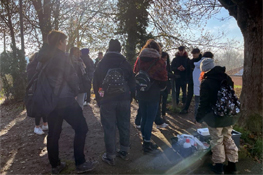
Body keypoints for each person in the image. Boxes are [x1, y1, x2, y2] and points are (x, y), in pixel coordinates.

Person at [36, 30, 97, 174]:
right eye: (65, 41)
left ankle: (55, 165)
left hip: (50, 102)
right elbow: (72, 78)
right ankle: (80, 163)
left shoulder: (42, 58)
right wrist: (75, 92)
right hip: (65, 101)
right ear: (60, 42)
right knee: (82, 128)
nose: (66, 44)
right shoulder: (61, 58)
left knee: (53, 134)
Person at [93, 39, 135, 166]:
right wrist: (130, 96)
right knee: (124, 125)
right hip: (123, 99)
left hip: (107, 100)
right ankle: (124, 151)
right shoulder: (125, 63)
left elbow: (97, 83)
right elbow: (132, 82)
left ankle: (110, 156)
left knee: (109, 127)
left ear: (108, 48)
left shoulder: (101, 63)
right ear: (120, 49)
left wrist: (100, 98)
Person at [196, 58, 238, 174]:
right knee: (228, 138)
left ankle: (218, 167)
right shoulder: (227, 78)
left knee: (217, 140)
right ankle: (232, 165)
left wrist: (198, 117)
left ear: (204, 70)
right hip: (229, 115)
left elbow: (203, 102)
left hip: (215, 117)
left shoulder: (207, 82)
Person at [133, 39, 167, 153]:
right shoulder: (159, 61)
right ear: (157, 49)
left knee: (143, 116)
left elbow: (135, 71)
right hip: (153, 92)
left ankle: (145, 140)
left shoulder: (139, 59)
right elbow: (164, 77)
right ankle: (147, 143)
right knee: (150, 118)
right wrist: (161, 86)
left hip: (141, 91)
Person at [26, 53, 48, 135]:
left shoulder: (31, 66)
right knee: (38, 107)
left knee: (44, 106)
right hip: (36, 89)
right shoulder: (34, 66)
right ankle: (37, 126)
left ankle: (45, 124)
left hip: (39, 89)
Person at [180, 48, 202, 114]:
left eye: (195, 54)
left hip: (200, 81)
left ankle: (200, 110)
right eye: (193, 54)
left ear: (198, 53)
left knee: (199, 96)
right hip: (191, 80)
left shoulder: (202, 61)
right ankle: (186, 109)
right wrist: (187, 79)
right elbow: (188, 71)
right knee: (189, 95)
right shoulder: (191, 61)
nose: (194, 55)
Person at [192, 51, 213, 118]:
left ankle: (196, 118)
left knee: (197, 104)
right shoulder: (207, 65)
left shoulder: (197, 65)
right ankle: (204, 119)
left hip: (196, 88)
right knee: (205, 104)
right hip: (205, 88)